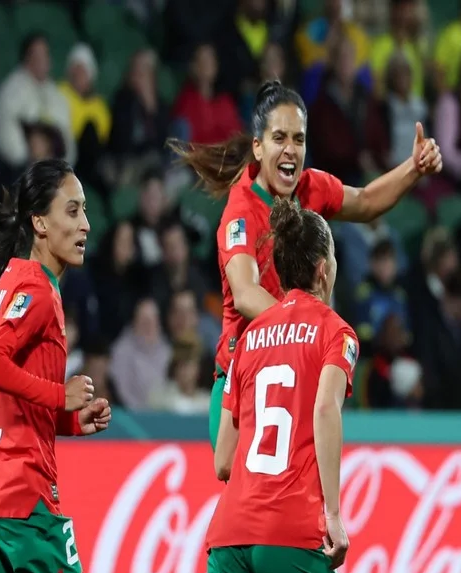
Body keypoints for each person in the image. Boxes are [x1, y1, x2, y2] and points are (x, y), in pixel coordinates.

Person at [171, 79, 442, 449]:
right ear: (258, 146)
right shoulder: (240, 214)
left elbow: (363, 201)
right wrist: (305, 327)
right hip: (243, 376)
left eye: (298, 139)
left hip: (295, 371)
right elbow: (246, 293)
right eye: (279, 138)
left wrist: (413, 168)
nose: (291, 149)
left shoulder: (310, 187)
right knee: (237, 484)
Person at [0, 159, 112, 573]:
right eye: (73, 211)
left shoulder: (15, 282)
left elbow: (11, 400)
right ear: (40, 222)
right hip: (26, 502)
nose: (87, 225)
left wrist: (70, 421)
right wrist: (62, 395)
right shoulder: (36, 288)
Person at [203, 198, 358, 573]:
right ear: (323, 269)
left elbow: (223, 461)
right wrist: (334, 516)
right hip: (289, 533)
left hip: (229, 536)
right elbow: (325, 408)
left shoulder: (249, 338)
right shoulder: (335, 333)